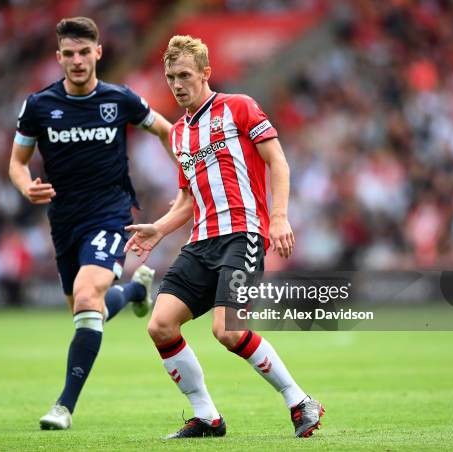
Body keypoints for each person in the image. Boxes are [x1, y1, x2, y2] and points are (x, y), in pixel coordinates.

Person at [124, 35, 324, 439]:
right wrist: (159, 230)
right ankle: (207, 418)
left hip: (242, 235)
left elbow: (278, 162)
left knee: (227, 330)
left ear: (205, 73)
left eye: (184, 75)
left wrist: (279, 218)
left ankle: (300, 401)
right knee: (160, 325)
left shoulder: (239, 107)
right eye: (170, 77)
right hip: (200, 243)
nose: (177, 84)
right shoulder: (179, 133)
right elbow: (188, 198)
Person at [8, 17, 174, 430]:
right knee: (89, 310)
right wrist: (26, 187)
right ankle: (135, 290)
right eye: (69, 54)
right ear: (59, 57)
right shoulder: (39, 106)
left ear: (98, 52)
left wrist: (187, 182)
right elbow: (17, 162)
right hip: (65, 223)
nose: (78, 60)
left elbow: (166, 131)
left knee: (86, 298)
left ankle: (63, 406)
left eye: (85, 52)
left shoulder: (120, 100)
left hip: (111, 214)